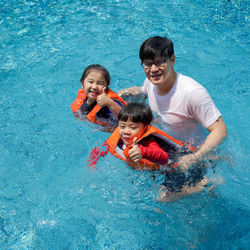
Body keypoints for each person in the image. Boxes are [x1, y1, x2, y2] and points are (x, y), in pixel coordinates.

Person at [118, 36, 227, 173]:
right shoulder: (151, 83)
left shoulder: (192, 93)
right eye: (147, 64)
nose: (153, 69)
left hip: (193, 154)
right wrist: (123, 94)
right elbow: (142, 91)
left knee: (166, 195)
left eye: (160, 62)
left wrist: (196, 157)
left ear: (173, 60)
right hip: (169, 148)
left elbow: (220, 130)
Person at [88, 103, 211, 200]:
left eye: (133, 127)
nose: (126, 131)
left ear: (145, 128)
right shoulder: (119, 136)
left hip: (173, 168)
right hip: (153, 169)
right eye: (122, 126)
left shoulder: (148, 142)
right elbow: (102, 147)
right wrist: (92, 164)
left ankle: (200, 186)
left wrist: (143, 152)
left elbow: (163, 158)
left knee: (163, 198)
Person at [71, 64, 126, 129]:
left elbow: (125, 119)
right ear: (82, 84)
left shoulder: (110, 103)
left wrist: (110, 103)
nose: (94, 87)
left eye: (100, 83)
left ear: (107, 85)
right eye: (91, 82)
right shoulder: (84, 97)